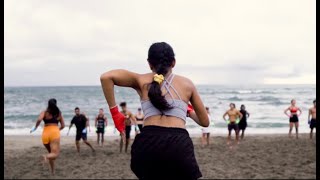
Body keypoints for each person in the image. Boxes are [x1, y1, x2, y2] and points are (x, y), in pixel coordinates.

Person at [100, 42, 209, 179]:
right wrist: (186, 111)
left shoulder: (141, 80)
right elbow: (205, 122)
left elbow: (106, 77)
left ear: (149, 63)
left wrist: (116, 115)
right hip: (178, 144)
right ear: (173, 62)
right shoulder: (187, 84)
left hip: (148, 143)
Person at [30, 98, 65, 175]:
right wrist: (56, 130)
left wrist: (35, 127)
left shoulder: (44, 112)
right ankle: (45, 156)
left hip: (45, 134)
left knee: (51, 153)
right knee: (55, 155)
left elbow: (39, 120)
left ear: (48, 104)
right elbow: (63, 126)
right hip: (54, 133)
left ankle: (52, 171)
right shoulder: (59, 113)